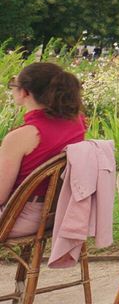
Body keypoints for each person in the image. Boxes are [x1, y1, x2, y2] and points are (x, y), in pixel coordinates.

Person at [0, 63, 87, 237]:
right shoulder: (77, 123)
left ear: (25, 92)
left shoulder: (23, 136)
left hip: (17, 216)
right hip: (55, 213)